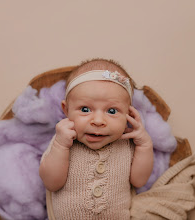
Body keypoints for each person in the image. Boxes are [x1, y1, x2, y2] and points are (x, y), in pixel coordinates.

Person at [39, 59, 153, 219]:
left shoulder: (127, 144)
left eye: (112, 111)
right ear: (66, 109)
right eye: (85, 109)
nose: (98, 121)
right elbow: (51, 183)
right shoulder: (64, 142)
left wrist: (144, 145)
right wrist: (60, 146)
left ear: (129, 113)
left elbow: (139, 181)